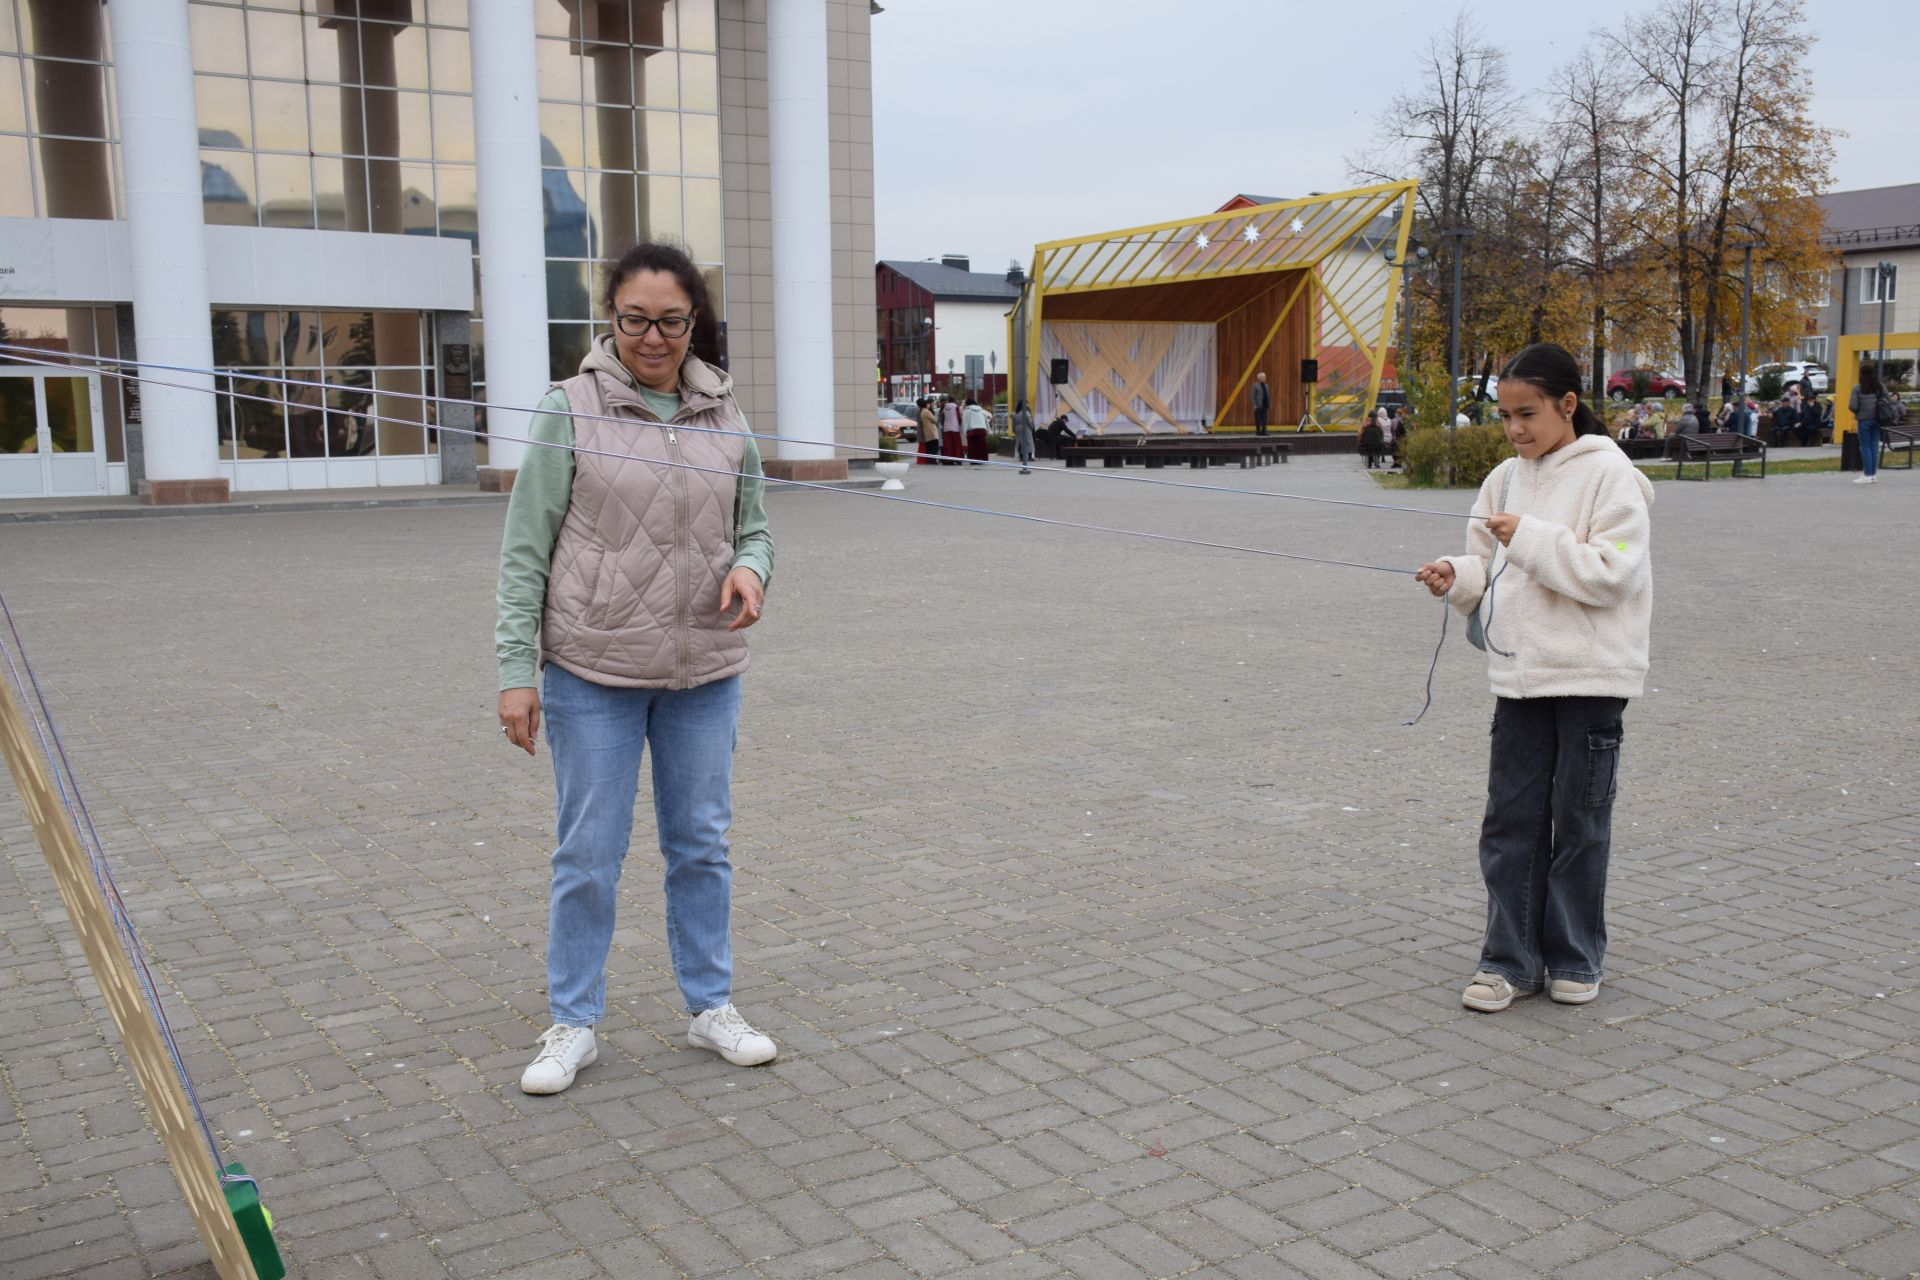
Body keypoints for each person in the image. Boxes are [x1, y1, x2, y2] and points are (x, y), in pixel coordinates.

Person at [496, 240, 779, 1094]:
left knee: (702, 845)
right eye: (635, 319)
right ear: (609, 318)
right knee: (588, 852)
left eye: (671, 321)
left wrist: (751, 570)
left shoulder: (725, 414)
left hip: (705, 671)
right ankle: (573, 1022)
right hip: (593, 674)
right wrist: (517, 670)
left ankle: (709, 1007)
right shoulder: (568, 408)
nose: (652, 337)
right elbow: (524, 550)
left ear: (695, 322)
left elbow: (757, 526)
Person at [1414, 342, 1654, 1014]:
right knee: (1510, 823)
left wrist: (1531, 537)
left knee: (1580, 825)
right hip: (1519, 679)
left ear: (1567, 404)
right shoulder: (1503, 478)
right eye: (1505, 416)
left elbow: (1613, 572)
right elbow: (1484, 565)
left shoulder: (1613, 476)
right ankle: (1508, 962)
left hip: (1591, 680)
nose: (1516, 429)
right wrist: (1453, 576)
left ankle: (1577, 956)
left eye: (1528, 414)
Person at [1849, 365, 1886, 484]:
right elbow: (1888, 400)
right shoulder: (1879, 386)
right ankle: (1873, 474)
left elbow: (1853, 405)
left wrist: (1858, 412)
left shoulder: (1857, 387)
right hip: (1878, 419)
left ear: (1861, 374)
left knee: (1865, 446)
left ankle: (1867, 474)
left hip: (1864, 420)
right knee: (1874, 445)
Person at [962, 395, 991, 465]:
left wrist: (964, 433)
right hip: (982, 430)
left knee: (973, 447)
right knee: (982, 446)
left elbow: (964, 423)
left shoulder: (967, 411)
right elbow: (986, 421)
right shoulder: (981, 410)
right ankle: (982, 459)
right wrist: (988, 431)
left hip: (972, 431)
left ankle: (974, 460)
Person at [1012, 399, 1036, 474]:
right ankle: (1029, 456)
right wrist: (1032, 427)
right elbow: (1030, 422)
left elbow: (1013, 423)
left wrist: (1014, 430)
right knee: (1028, 442)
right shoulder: (1026, 413)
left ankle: (1021, 456)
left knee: (1020, 443)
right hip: (1026, 429)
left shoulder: (1015, 413)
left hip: (1018, 429)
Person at [940, 395, 963, 465]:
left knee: (948, 445)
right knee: (956, 444)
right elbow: (959, 417)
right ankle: (958, 459)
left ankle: (948, 460)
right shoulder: (956, 407)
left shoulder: (944, 408)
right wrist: (960, 423)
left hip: (946, 428)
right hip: (955, 428)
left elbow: (942, 418)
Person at [916, 397, 939, 466]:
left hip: (926, 432)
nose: (929, 404)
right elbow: (935, 420)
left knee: (929, 447)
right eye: (927, 403)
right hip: (932, 432)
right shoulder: (926, 411)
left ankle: (930, 460)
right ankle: (932, 461)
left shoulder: (921, 412)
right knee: (934, 447)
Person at [1250, 371, 1271, 436]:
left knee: (1264, 418)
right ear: (1259, 378)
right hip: (1258, 405)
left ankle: (1264, 430)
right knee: (1258, 418)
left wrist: (1269, 404)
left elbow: (1268, 395)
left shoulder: (1266, 385)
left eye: (1265, 377)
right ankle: (1258, 430)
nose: (1265, 378)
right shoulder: (1255, 385)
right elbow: (1252, 396)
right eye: (1263, 377)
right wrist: (1254, 405)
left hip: (1265, 404)